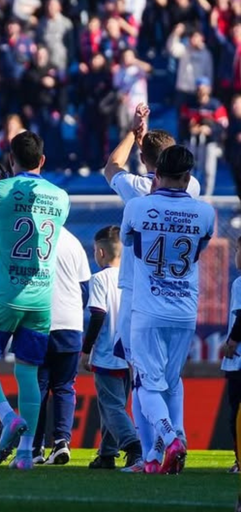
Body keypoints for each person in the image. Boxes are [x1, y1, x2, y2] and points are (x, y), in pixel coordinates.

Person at [0, 131, 70, 470]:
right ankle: (25, 455)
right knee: (28, 373)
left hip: (3, 296)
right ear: (43, 161)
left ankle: (6, 416)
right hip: (40, 300)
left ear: (11, 159)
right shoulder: (62, 197)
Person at [102, 103, 200, 472]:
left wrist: (133, 131)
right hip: (180, 296)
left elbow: (111, 166)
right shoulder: (195, 191)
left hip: (137, 295)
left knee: (142, 378)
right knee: (170, 379)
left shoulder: (137, 191)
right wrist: (150, 140)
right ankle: (175, 436)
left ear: (145, 162)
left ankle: (152, 454)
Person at [120, 145, 215, 474]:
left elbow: (131, 244)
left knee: (146, 384)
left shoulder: (137, 207)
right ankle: (161, 453)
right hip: (185, 310)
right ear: (188, 177)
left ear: (156, 175)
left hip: (148, 310)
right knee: (171, 382)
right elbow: (198, 251)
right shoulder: (206, 213)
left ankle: (171, 439)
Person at [82, 226, 142, 471]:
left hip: (107, 354)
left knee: (112, 406)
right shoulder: (133, 279)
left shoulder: (99, 279)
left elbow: (97, 315)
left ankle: (133, 447)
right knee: (112, 405)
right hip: (130, 355)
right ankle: (106, 454)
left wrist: (86, 350)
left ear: (100, 252)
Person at [33, 226, 91, 465]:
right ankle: (61, 442)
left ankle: (34, 447)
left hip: (38, 321)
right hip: (70, 324)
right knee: (65, 386)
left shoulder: (30, 238)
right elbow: (84, 289)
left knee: (36, 388)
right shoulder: (74, 242)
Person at [220, 235, 241, 473]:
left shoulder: (239, 283)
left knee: (235, 413)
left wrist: (232, 341)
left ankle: (239, 461)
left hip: (238, 362)